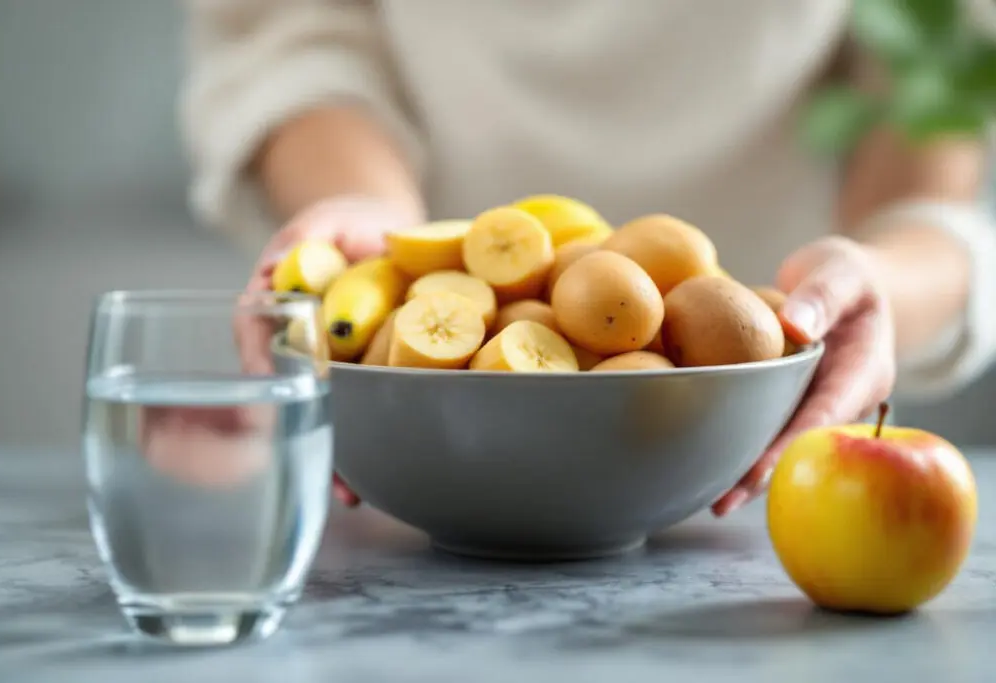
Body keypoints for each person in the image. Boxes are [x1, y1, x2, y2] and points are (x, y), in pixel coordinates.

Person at [180, 0, 996, 516]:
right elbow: (294, 37)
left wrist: (874, 279)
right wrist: (373, 223)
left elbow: (929, 95)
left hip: (757, 457)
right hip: (438, 421)